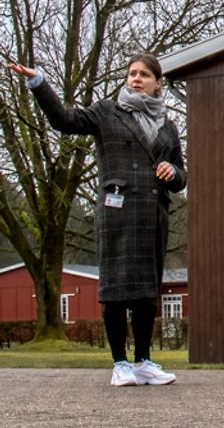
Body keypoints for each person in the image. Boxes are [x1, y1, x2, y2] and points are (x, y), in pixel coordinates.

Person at [7, 55, 184, 387]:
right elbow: (64, 120)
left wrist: (172, 171)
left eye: (144, 74)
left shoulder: (168, 127)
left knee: (147, 293)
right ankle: (120, 364)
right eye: (131, 73)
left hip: (152, 216)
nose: (136, 79)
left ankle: (144, 361)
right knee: (116, 290)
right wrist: (39, 83)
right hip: (118, 213)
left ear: (157, 83)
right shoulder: (107, 112)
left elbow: (181, 174)